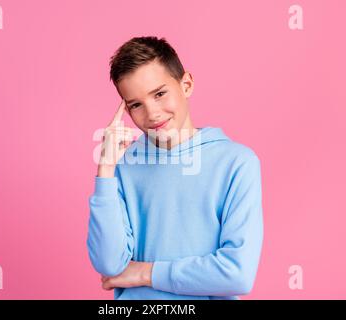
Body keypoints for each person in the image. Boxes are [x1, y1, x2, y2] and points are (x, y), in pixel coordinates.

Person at [86, 36, 263, 300]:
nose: (153, 113)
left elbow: (237, 273)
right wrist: (106, 169)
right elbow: (109, 265)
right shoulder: (123, 170)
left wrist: (145, 273)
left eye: (159, 94)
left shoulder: (237, 163)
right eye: (136, 105)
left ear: (186, 84)